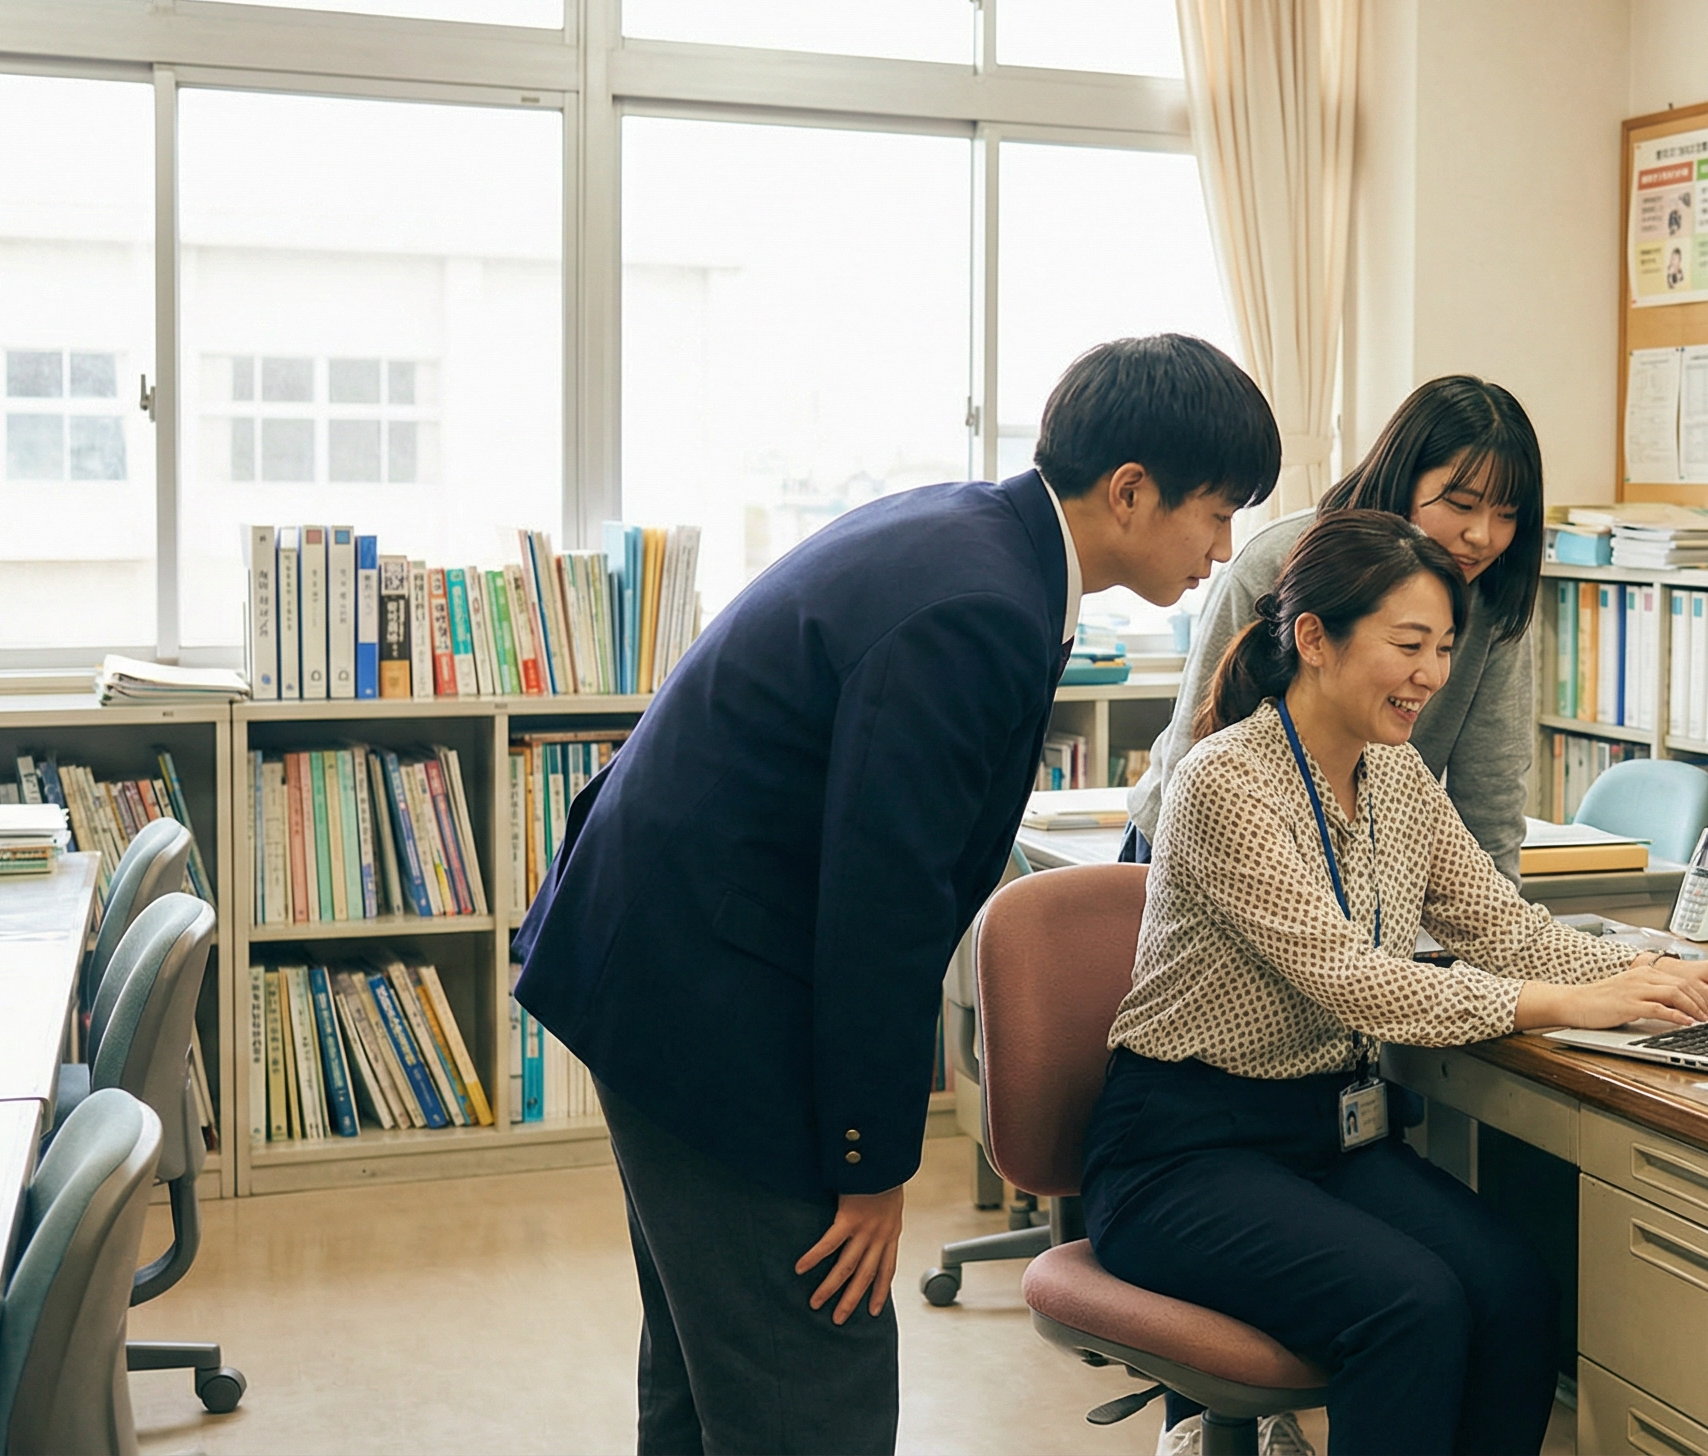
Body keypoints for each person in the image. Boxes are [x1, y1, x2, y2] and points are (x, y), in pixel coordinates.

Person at [512, 334, 1281, 1456]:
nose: (1222, 551)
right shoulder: (977, 607)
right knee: (810, 1384)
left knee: (707, 1365)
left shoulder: (983, 540)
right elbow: (882, 910)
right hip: (706, 995)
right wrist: (866, 1169)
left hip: (661, 955)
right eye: (1215, 514)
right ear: (1128, 493)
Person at [1087, 511, 1708, 1456]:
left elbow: (1501, 928)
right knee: (1411, 1307)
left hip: (1324, 1134)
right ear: (1313, 639)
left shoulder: (1395, 773)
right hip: (1179, 1153)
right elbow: (1353, 980)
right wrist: (1565, 1004)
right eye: (1409, 645)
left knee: (1516, 1290)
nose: (1433, 676)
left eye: (1444, 647)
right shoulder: (1224, 783)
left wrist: (1663, 972)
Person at [1127, 375, 1546, 877]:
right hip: (1214, 848)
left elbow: (1491, 804)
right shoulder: (1282, 560)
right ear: (1403, 479)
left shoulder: (1493, 600)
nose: (1481, 536)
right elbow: (1194, 751)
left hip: (1361, 863)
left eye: (1507, 515)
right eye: (1461, 505)